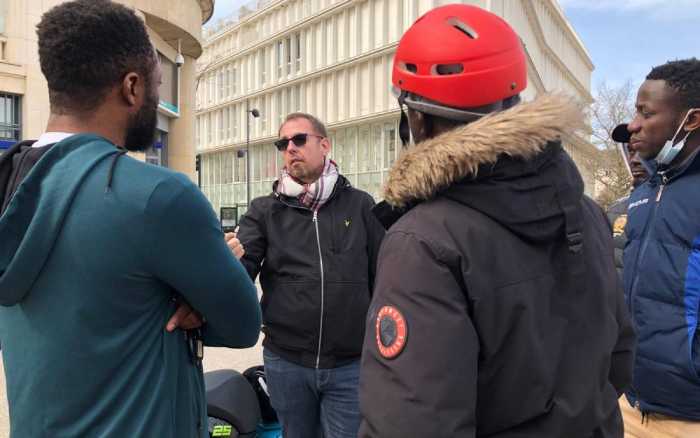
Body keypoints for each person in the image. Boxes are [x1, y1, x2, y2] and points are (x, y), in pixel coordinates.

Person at [359, 5, 635, 437]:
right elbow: (619, 358)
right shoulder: (587, 211)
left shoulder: (423, 241)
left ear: (415, 115)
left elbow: (413, 424)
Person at [0, 1, 261, 437]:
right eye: (158, 84)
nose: (157, 100)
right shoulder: (158, 196)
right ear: (132, 88)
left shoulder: (12, 186)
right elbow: (242, 324)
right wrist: (205, 284)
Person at [235, 112, 385, 438]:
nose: (290, 148)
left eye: (299, 139)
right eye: (283, 143)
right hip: (286, 364)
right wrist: (222, 265)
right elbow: (240, 272)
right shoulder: (264, 210)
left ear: (325, 145)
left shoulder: (360, 206)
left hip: (350, 366)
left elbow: (384, 277)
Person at [621, 58, 700, 437]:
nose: (633, 125)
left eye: (645, 113)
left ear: (692, 120)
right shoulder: (644, 194)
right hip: (628, 403)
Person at [606, 123, 650, 281]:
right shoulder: (614, 211)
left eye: (643, 150)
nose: (635, 160)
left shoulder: (687, 208)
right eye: (631, 151)